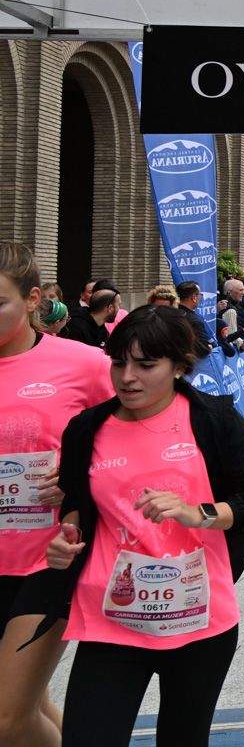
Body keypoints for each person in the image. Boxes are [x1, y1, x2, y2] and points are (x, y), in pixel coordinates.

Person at [47, 304, 244, 745]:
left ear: (179, 366)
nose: (127, 378)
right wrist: (68, 536)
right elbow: (77, 503)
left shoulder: (211, 419)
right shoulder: (87, 428)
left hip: (198, 618)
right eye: (118, 363)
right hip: (112, 617)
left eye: (146, 365)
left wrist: (201, 513)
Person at [0, 243, 112, 746]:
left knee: (6, 719)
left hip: (49, 559)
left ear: (32, 299)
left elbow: (134, 435)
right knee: (30, 705)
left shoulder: (84, 363)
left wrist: (77, 476)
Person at [175, 282, 213, 356]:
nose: (201, 298)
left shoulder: (170, 315)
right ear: (194, 298)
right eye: (200, 295)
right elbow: (202, 349)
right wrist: (208, 348)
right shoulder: (195, 321)